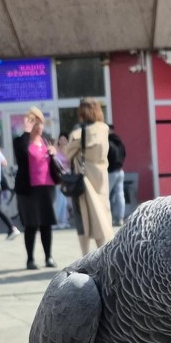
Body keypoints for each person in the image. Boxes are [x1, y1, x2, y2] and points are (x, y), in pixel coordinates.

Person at [66, 98, 114, 255]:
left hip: (84, 180)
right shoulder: (104, 129)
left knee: (84, 221)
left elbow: (66, 153)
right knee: (102, 217)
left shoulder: (80, 132)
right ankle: (104, 254)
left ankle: (85, 256)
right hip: (101, 178)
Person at [13, 108, 59, 270]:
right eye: (35, 123)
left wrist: (54, 153)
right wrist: (26, 133)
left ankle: (48, 257)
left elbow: (56, 161)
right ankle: (30, 259)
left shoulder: (46, 141)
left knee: (46, 223)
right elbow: (20, 155)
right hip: (28, 190)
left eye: (41, 123)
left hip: (46, 187)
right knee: (31, 225)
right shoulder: (21, 141)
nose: (39, 127)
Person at [107, 126, 128, 226]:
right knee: (120, 195)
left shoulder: (107, 142)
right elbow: (124, 154)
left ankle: (107, 218)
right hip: (120, 170)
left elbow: (105, 157)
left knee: (105, 196)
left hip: (111, 172)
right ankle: (120, 218)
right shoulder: (119, 142)